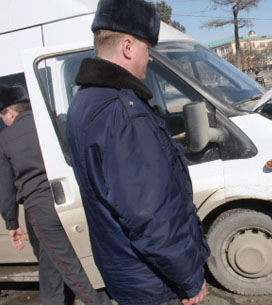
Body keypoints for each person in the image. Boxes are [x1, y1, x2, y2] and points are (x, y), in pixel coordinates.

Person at [65, 1, 210, 305]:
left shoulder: (84, 102)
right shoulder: (122, 111)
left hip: (128, 277)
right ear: (128, 46)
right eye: (147, 48)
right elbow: (152, 217)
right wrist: (190, 278)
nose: (150, 58)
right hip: (154, 285)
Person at [0, 85, 112, 305]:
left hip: (40, 208)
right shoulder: (54, 123)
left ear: (10, 112)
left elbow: (5, 187)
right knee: (50, 256)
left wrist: (11, 223)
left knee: (70, 267)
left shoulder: (4, 139)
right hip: (73, 197)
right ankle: (53, 301)